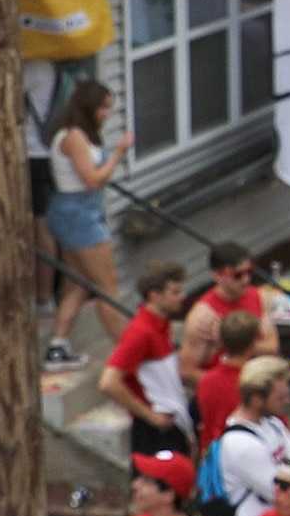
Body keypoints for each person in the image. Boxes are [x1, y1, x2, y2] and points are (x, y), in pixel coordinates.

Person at [41, 76, 129, 355]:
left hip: (75, 212)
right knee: (107, 287)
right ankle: (127, 349)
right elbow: (91, 179)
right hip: (79, 214)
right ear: (88, 107)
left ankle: (58, 343)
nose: (106, 114)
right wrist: (118, 155)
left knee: (78, 282)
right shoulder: (74, 137)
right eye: (103, 108)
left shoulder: (75, 135)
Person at [99, 259, 197, 464]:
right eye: (175, 292)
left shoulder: (161, 325)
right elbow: (108, 382)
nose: (183, 296)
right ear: (154, 296)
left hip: (172, 423)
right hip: (156, 431)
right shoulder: (141, 332)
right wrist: (151, 417)